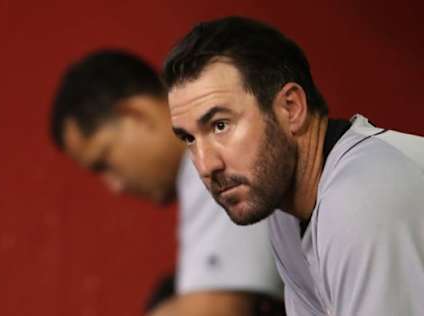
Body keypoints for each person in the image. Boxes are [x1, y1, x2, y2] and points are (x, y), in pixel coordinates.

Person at [163, 16, 424, 316]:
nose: (206, 165)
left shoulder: (363, 198)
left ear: (291, 108)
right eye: (189, 139)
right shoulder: (286, 213)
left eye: (220, 125)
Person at [49, 50, 284, 316]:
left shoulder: (214, 157)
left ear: (136, 114)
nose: (115, 186)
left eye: (104, 161)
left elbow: (214, 311)